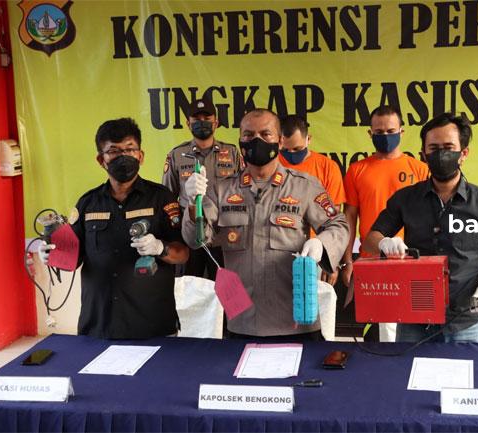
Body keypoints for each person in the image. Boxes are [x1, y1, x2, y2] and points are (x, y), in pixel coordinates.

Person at [182, 108, 349, 340]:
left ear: (280, 141)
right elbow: (196, 240)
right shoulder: (221, 190)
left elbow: (338, 225)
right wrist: (193, 203)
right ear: (240, 141)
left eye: (265, 134)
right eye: (249, 135)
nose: (256, 140)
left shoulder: (304, 186)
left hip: (296, 323)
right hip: (243, 324)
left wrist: (321, 243)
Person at [362, 112, 478, 343]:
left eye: (448, 147)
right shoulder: (405, 199)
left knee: (465, 369)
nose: (441, 155)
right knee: (410, 368)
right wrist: (384, 243)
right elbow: (370, 239)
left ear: (463, 153)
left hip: (467, 320)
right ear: (423, 154)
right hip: (414, 318)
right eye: (434, 148)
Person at [39, 118, 189, 339]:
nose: (123, 156)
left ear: (141, 156)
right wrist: (51, 254)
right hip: (99, 325)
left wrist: (160, 248)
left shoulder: (161, 198)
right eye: (114, 151)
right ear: (101, 160)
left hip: (152, 323)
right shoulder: (87, 204)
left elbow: (183, 253)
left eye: (130, 149)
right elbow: (73, 258)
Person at [342, 105, 429, 341]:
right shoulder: (357, 170)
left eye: (390, 131)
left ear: (402, 131)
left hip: (412, 262)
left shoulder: (420, 169)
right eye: (379, 132)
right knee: (377, 333)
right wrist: (348, 260)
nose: (385, 136)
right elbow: (349, 217)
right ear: (370, 133)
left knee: (411, 332)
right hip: (372, 262)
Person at [162, 98, 241, 280]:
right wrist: (175, 235)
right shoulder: (177, 155)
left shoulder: (232, 153)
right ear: (188, 124)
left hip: (224, 236)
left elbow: (242, 192)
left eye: (207, 118)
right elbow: (168, 198)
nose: (202, 122)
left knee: (226, 290)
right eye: (196, 119)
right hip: (190, 236)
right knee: (190, 289)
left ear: (216, 122)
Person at [278, 114, 346, 286]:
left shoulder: (327, 167)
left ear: (308, 139)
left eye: (297, 149)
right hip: (278, 252)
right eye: (286, 150)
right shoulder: (272, 165)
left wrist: (331, 260)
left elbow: (334, 218)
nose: (291, 154)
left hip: (315, 254)